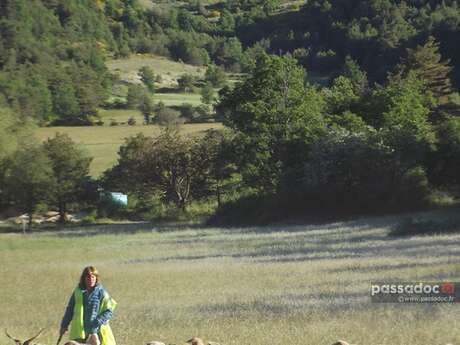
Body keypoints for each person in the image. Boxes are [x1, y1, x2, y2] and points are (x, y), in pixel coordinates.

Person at [60, 266, 117, 345]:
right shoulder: (77, 292)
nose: (91, 279)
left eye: (93, 277)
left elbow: (109, 311)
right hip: (79, 331)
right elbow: (70, 310)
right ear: (84, 278)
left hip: (96, 330)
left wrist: (97, 322)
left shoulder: (102, 292)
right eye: (88, 277)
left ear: (96, 278)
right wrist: (64, 325)